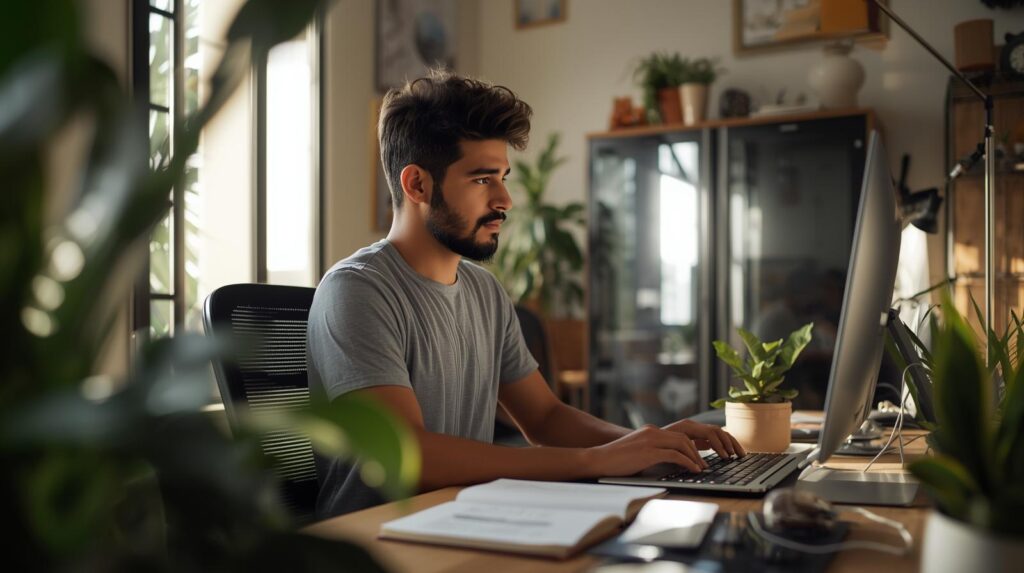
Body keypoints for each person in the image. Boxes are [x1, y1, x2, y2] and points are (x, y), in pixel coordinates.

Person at [307, 69, 744, 518]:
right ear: (417, 184)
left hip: (464, 520)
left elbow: (545, 418)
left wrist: (649, 443)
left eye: (503, 177)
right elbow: (407, 454)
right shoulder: (357, 289)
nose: (505, 200)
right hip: (375, 537)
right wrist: (593, 461)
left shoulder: (484, 291)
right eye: (482, 179)